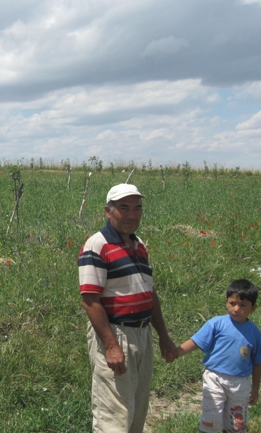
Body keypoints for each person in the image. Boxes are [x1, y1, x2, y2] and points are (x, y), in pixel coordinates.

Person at [78, 183, 176, 433]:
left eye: (137, 208)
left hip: (142, 335)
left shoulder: (138, 245)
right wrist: (111, 346)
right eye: (124, 208)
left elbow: (149, 294)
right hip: (116, 333)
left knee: (137, 410)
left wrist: (163, 336)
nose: (132, 214)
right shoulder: (97, 245)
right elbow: (90, 299)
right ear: (108, 212)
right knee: (114, 417)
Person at [172, 279, 261, 433]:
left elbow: (257, 362)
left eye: (243, 305)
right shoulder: (216, 324)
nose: (236, 309)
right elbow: (196, 341)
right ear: (226, 302)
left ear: (253, 308)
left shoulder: (255, 333)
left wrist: (255, 388)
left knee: (236, 422)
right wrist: (176, 352)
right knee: (212, 413)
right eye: (232, 303)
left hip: (240, 383)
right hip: (215, 377)